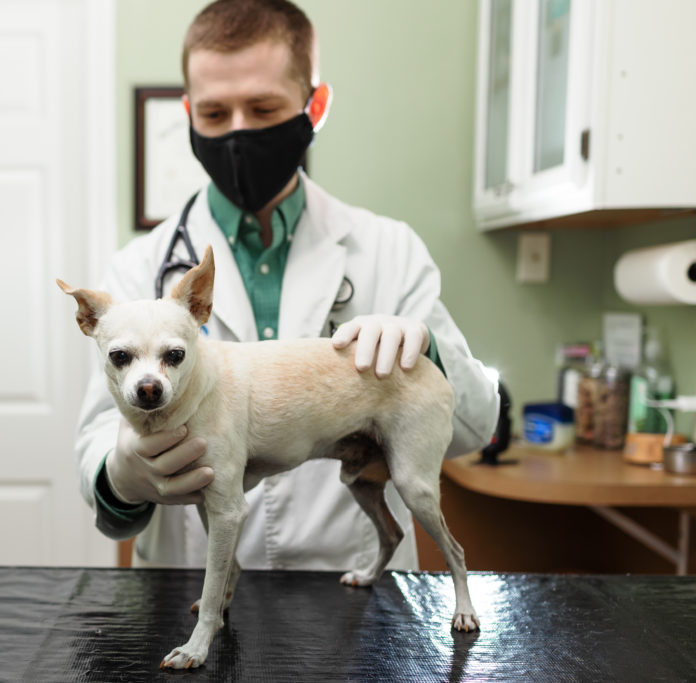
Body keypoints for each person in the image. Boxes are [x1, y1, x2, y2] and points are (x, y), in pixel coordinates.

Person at [75, 0, 498, 571]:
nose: (238, 132)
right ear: (189, 113)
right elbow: (98, 452)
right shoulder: (137, 269)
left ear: (314, 106)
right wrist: (121, 475)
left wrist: (430, 354)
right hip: (187, 583)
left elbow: (475, 426)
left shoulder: (387, 251)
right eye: (214, 113)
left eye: (263, 107)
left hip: (351, 587)